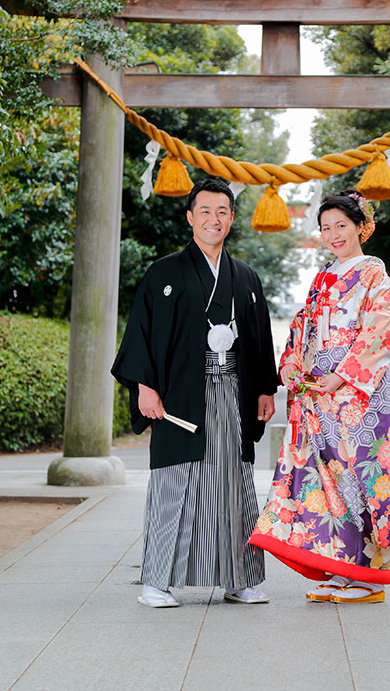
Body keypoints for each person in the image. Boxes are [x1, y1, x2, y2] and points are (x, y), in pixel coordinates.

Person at [112, 178, 277, 608]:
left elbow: (259, 338)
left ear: (231, 219)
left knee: (234, 486)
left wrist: (263, 388)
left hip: (234, 394)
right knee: (175, 483)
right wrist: (145, 387)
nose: (213, 219)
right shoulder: (163, 273)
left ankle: (238, 578)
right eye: (205, 211)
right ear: (190, 217)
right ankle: (157, 581)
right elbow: (141, 335)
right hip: (179, 397)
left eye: (222, 211)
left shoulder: (245, 277)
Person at [249, 189, 390, 604]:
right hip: (318, 396)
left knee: (362, 479)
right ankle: (343, 570)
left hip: (357, 397)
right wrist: (289, 364)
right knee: (328, 485)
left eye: (341, 225)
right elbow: (301, 330)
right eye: (325, 228)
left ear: (362, 227)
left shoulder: (376, 275)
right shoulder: (323, 277)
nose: (333, 234)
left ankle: (371, 579)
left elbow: (383, 329)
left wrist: (343, 375)